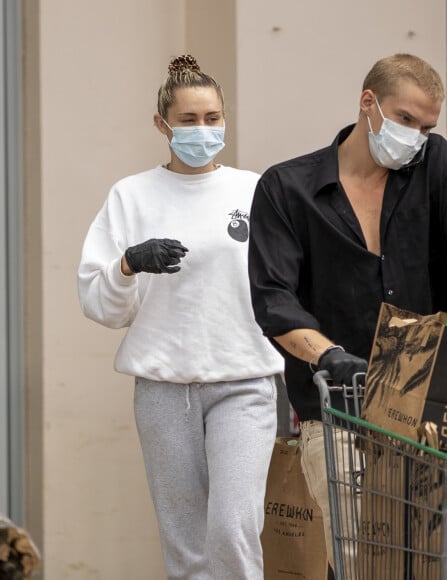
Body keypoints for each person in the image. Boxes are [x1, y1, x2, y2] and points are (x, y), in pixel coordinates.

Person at [248, 53, 447, 573]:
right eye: (405, 120)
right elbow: (275, 303)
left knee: (438, 559)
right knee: (361, 557)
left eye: (426, 126)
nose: (415, 136)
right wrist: (332, 357)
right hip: (340, 410)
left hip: (434, 411)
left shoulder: (436, 165)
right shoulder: (287, 189)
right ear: (368, 103)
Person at [77, 54, 283, 580]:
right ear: (161, 124)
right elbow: (101, 305)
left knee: (233, 528)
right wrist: (128, 264)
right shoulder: (130, 195)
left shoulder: (255, 190)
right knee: (186, 545)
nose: (202, 129)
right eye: (188, 120)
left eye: (212, 118)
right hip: (163, 388)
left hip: (245, 381)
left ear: (224, 119)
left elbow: (285, 288)